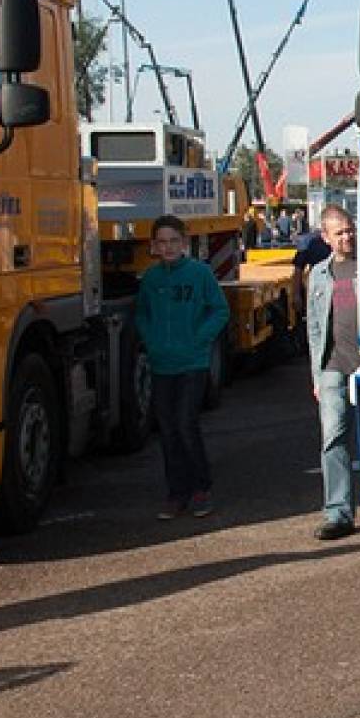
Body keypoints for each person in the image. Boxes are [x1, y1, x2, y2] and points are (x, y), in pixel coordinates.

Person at [135, 215, 231, 518]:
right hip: (162, 365)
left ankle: (201, 489)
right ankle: (177, 494)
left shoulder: (200, 273)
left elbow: (219, 310)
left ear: (184, 243)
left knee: (185, 424)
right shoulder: (151, 279)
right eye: (162, 243)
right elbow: (142, 316)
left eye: (173, 241)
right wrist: (152, 343)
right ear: (153, 246)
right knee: (167, 430)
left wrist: (198, 340)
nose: (168, 248)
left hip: (193, 363)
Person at [305, 206, 360, 540]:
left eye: (349, 229)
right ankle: (338, 513)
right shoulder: (319, 274)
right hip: (332, 367)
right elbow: (313, 325)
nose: (347, 237)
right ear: (325, 237)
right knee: (333, 438)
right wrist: (316, 374)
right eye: (339, 233)